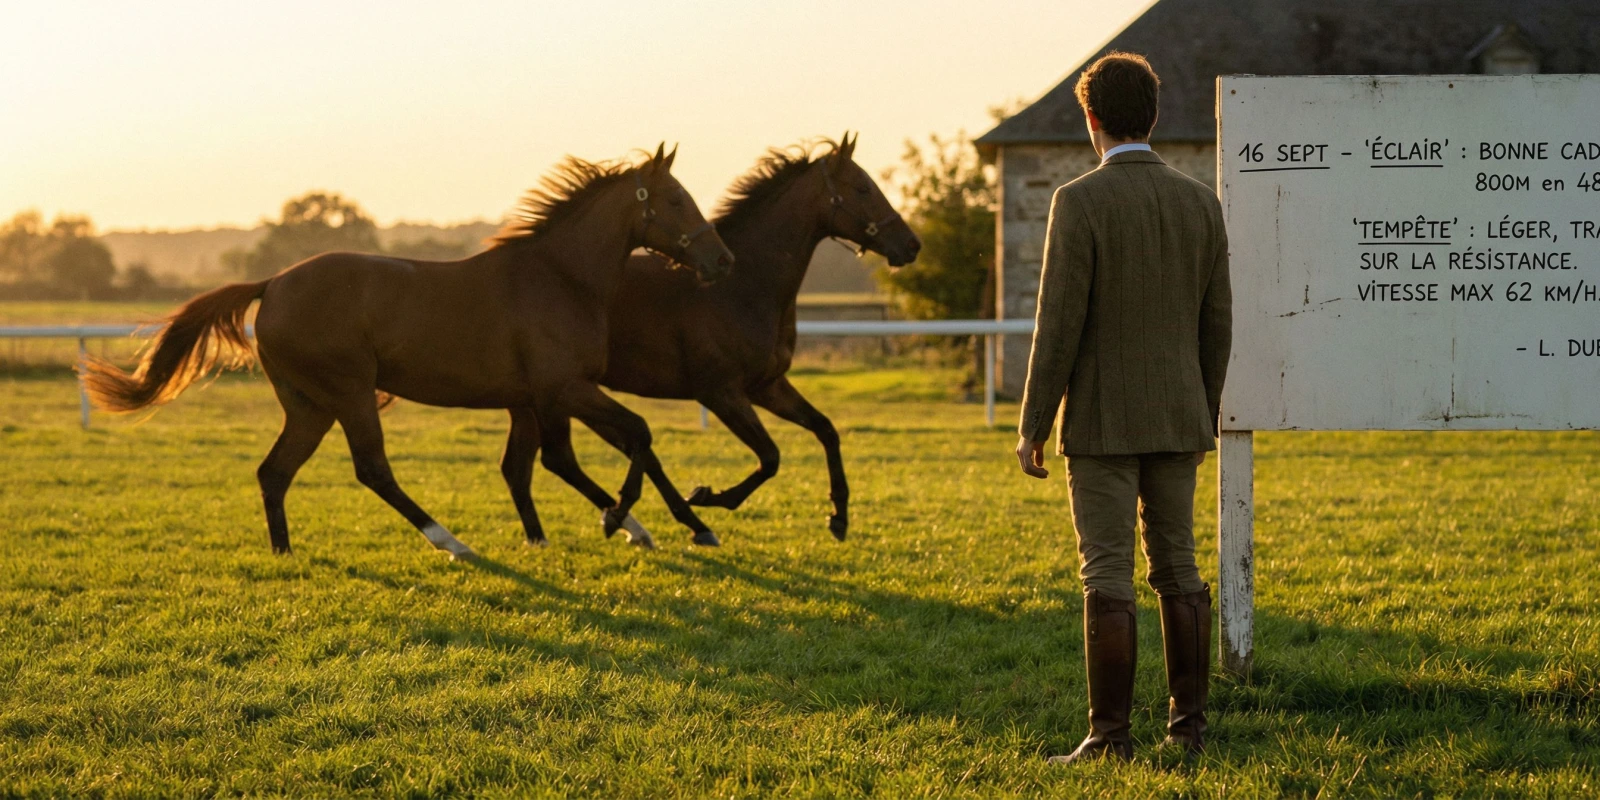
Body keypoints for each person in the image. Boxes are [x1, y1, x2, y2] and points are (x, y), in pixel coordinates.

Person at [1013, 51, 1232, 763]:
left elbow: (1058, 325)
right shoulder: (1202, 202)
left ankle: (1109, 738)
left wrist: (1033, 424)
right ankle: (1189, 731)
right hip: (1179, 414)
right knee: (1180, 566)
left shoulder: (1077, 201)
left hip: (1103, 423)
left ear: (1092, 119)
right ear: (1155, 116)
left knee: (1105, 573)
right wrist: (1202, 409)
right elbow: (1217, 323)